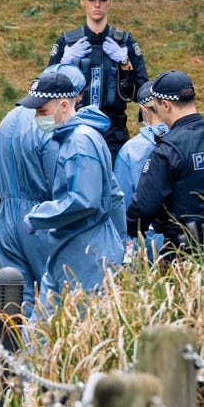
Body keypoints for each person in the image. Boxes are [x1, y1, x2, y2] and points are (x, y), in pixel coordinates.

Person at [21, 71, 125, 315]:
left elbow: (83, 200)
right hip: (78, 254)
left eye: (43, 111)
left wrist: (39, 217)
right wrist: (121, 242)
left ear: (64, 105)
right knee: (40, 334)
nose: (38, 118)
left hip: (85, 256)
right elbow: (115, 195)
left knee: (58, 335)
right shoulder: (82, 137)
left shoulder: (79, 143)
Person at [125, 70, 204, 257]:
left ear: (166, 105)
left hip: (188, 256)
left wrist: (128, 229)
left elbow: (142, 209)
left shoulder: (167, 150)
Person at [0, 64, 85, 314]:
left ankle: (9, 352)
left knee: (13, 301)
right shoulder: (49, 123)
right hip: (39, 220)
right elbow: (61, 184)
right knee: (51, 300)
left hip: (6, 218)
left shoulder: (7, 119)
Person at [47, 0, 150, 166]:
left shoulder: (125, 42)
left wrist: (125, 62)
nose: (97, 5)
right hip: (74, 130)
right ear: (82, 1)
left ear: (110, 1)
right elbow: (45, 90)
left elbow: (142, 92)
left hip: (113, 135)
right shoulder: (67, 42)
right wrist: (63, 61)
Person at [114, 80, 169, 259]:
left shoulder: (130, 151)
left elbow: (122, 202)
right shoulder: (186, 141)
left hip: (145, 239)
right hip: (185, 236)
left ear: (143, 110)